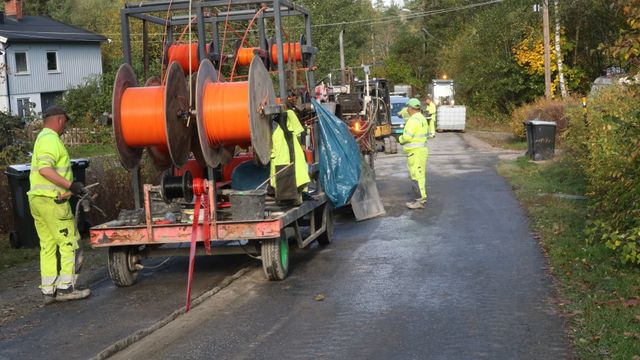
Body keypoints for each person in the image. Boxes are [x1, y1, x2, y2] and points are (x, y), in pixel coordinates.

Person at [28, 105, 90, 305]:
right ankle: (66, 288)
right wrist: (71, 185)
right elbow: (46, 170)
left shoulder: (41, 138)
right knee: (71, 244)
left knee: (48, 245)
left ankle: (49, 290)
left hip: (38, 201)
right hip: (53, 202)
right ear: (59, 120)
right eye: (65, 121)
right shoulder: (51, 140)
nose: (65, 127)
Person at [398, 98, 429, 209]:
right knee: (420, 175)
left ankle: (420, 201)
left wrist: (400, 139)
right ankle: (420, 199)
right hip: (421, 151)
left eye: (408, 108)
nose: (407, 109)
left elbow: (406, 137)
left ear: (411, 108)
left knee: (416, 176)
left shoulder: (412, 120)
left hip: (415, 152)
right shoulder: (422, 118)